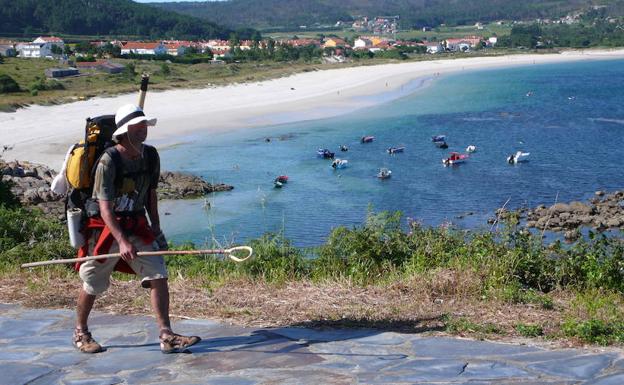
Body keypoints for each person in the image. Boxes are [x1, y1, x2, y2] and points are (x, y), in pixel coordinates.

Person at [73, 104, 201, 354]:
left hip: (138, 225)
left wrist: (157, 229)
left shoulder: (151, 155)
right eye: (137, 126)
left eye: (145, 125)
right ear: (124, 131)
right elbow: (105, 208)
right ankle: (81, 331)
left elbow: (151, 195)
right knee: (92, 283)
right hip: (106, 229)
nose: (143, 130)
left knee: (158, 276)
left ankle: (167, 335)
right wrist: (121, 240)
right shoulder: (108, 161)